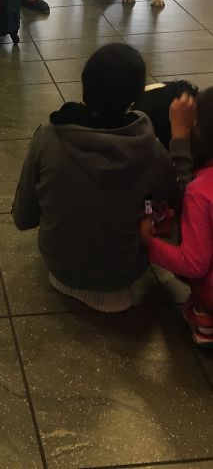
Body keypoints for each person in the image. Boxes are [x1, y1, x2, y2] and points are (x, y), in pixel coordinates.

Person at [13, 43, 178, 312]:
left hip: (60, 266)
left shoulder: (48, 136)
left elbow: (23, 217)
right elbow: (169, 202)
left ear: (85, 85)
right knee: (153, 207)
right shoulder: (152, 150)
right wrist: (147, 209)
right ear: (135, 98)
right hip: (124, 272)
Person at [140, 88, 213, 347]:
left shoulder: (200, 190)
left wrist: (151, 246)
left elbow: (194, 264)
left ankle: (206, 320)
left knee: (184, 235)